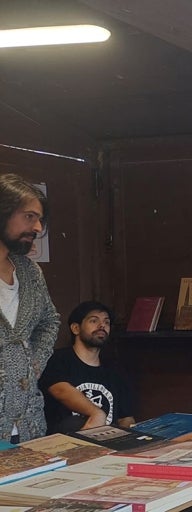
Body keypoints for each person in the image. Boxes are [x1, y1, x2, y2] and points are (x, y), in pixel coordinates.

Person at [0, 173, 60, 444]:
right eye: (29, 216)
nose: (37, 227)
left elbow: (49, 320)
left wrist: (33, 362)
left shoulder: (29, 271)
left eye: (39, 219)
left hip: (28, 425)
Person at [38, 301, 135, 434]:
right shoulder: (58, 359)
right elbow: (61, 390)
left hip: (107, 446)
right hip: (64, 444)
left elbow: (126, 418)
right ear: (75, 328)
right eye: (94, 321)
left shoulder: (114, 369)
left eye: (106, 322)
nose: (102, 326)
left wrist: (129, 440)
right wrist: (96, 414)